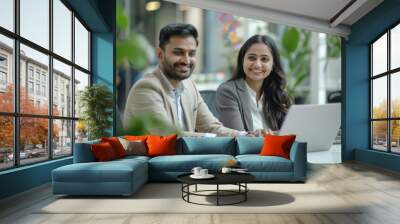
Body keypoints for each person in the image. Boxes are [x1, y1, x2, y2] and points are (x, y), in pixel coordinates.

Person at [123, 23, 243, 137]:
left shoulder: (189, 86)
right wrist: (212, 138)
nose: (186, 60)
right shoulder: (146, 88)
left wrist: (245, 136)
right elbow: (169, 137)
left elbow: (211, 127)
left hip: (183, 157)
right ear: (160, 54)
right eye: (178, 52)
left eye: (191, 54)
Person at [216, 34, 291, 135]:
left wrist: (269, 135)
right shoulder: (228, 91)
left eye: (264, 59)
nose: (257, 65)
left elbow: (292, 133)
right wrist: (274, 135)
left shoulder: (279, 93)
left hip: (277, 150)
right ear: (242, 60)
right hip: (247, 151)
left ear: (273, 64)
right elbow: (238, 137)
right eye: (252, 58)